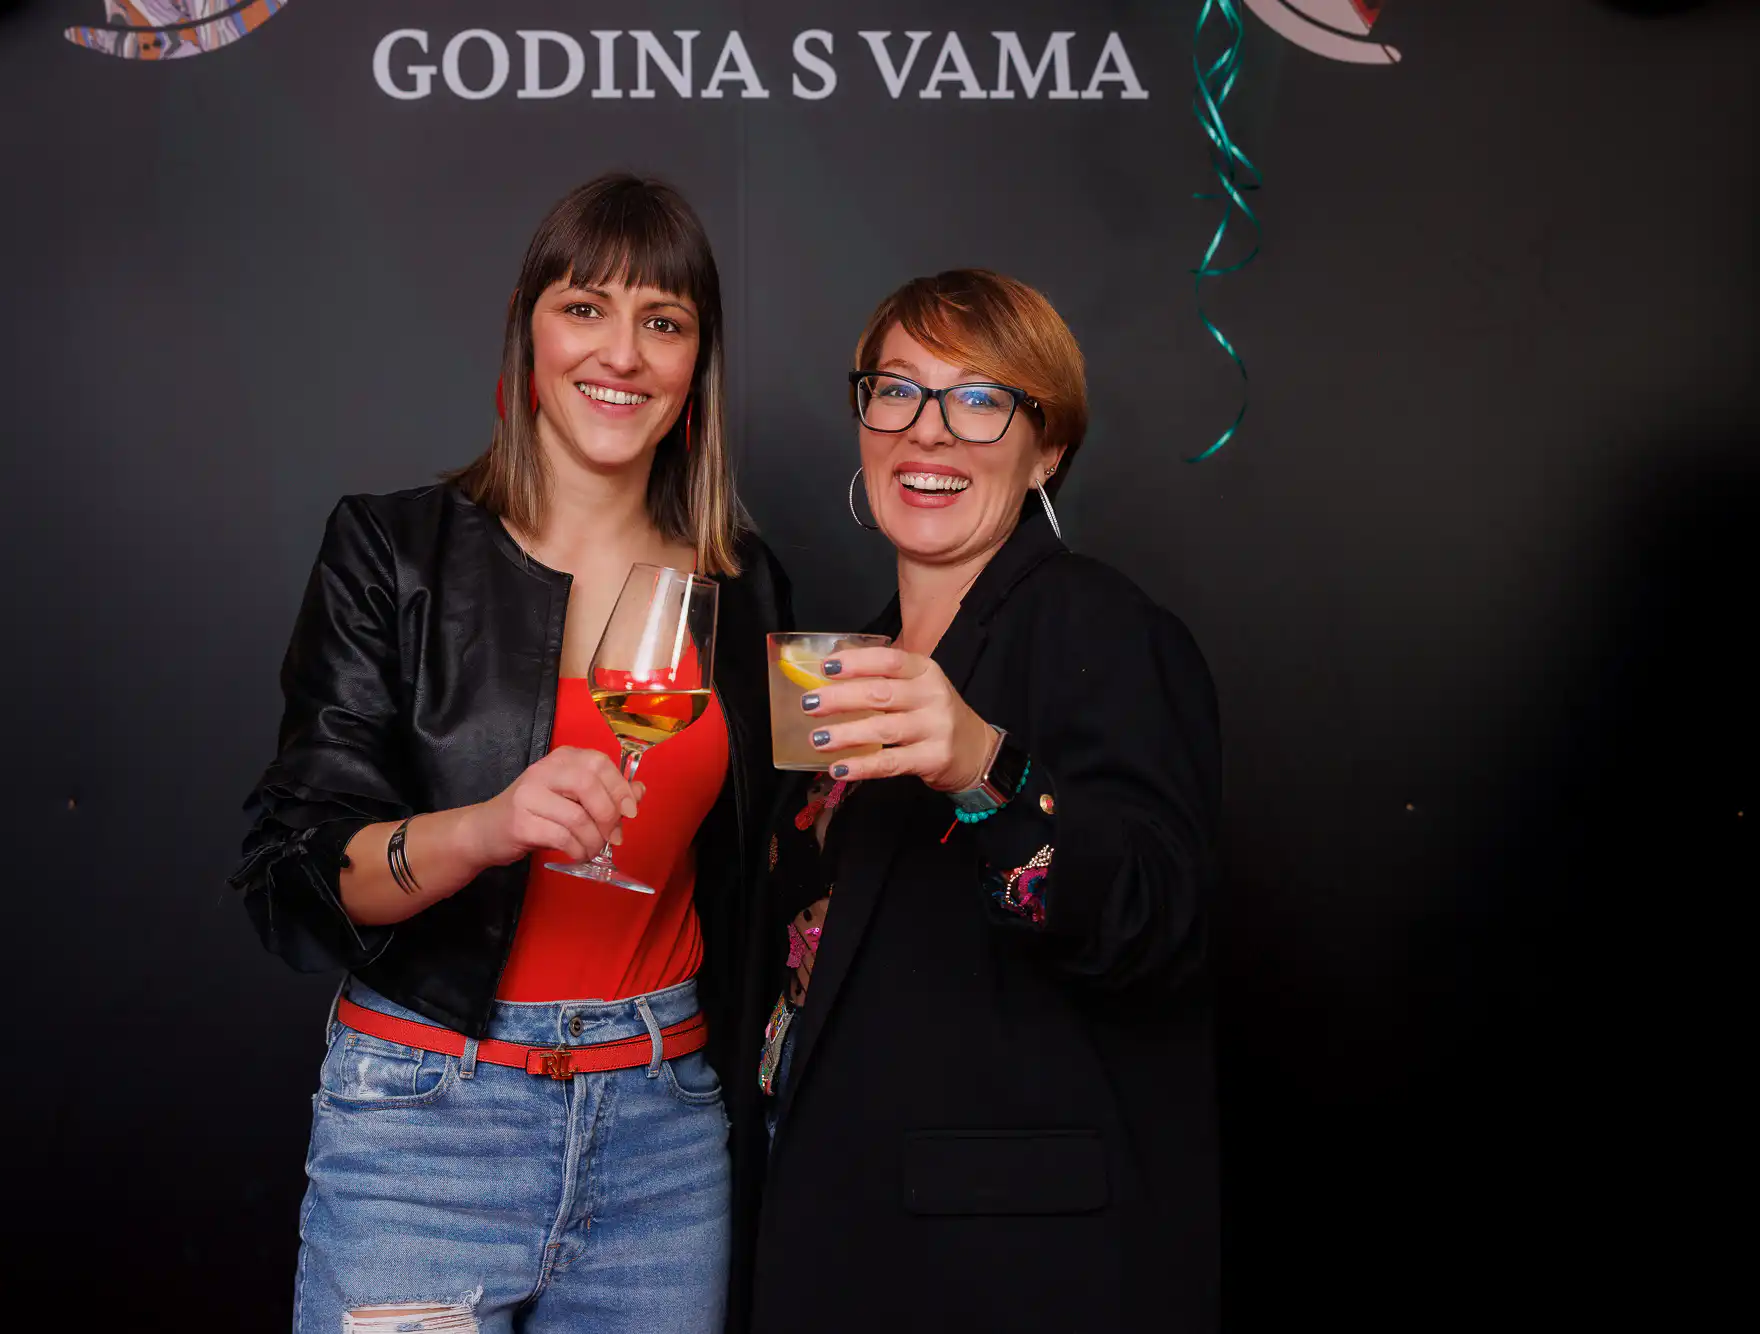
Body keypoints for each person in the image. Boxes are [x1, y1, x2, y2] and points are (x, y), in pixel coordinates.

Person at [231, 173, 791, 1334]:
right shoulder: (392, 551)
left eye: (663, 321)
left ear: (695, 363)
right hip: (426, 1119)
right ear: (526, 332)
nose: (622, 353)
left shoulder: (743, 585)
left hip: (663, 1131)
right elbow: (301, 866)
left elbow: (767, 872)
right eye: (584, 308)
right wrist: (488, 827)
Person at [734, 270, 1221, 1331]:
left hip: (999, 1264)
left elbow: (1159, 926)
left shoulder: (1101, 627)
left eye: (979, 398)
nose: (929, 429)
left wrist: (983, 766)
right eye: (897, 389)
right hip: (832, 1228)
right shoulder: (856, 653)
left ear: (1047, 448)